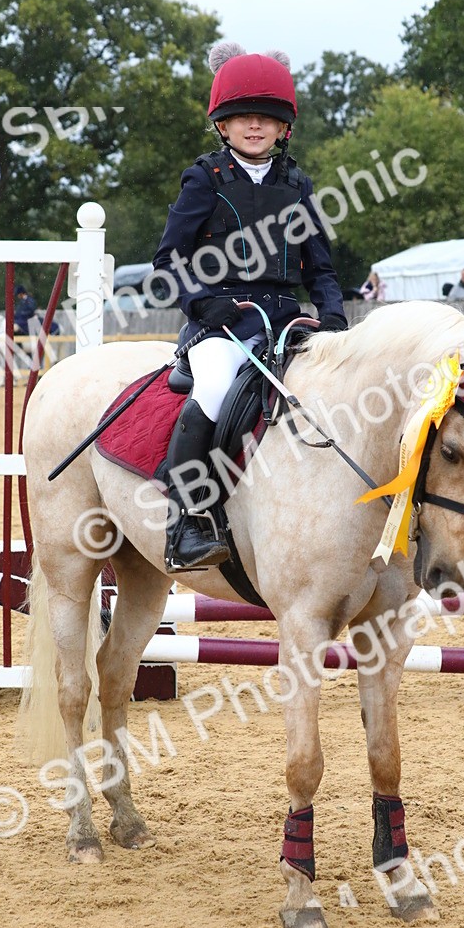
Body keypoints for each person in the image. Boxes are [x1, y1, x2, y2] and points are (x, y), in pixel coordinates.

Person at [153, 40, 347, 572]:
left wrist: (332, 317)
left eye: (266, 117)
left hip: (288, 322)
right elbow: (168, 260)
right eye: (243, 117)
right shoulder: (205, 178)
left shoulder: (298, 185)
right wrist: (203, 302)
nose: (255, 125)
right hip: (223, 323)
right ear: (222, 124)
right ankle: (185, 521)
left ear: (285, 127)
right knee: (216, 387)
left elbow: (321, 268)